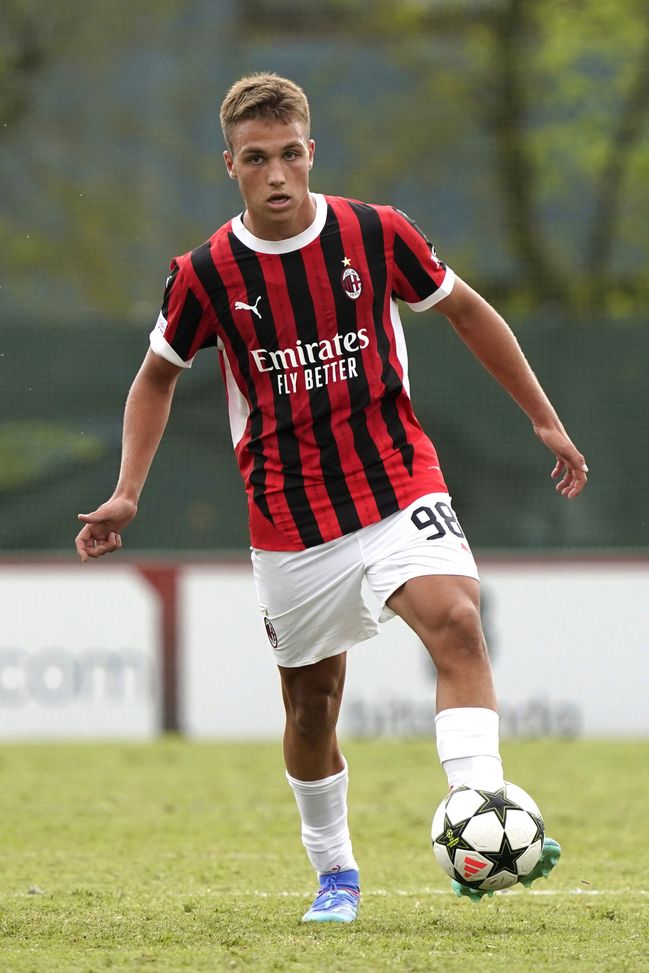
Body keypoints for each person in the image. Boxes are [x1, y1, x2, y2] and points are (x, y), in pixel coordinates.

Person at [75, 72, 588, 922]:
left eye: (287, 155)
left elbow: (465, 311)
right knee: (311, 705)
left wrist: (542, 418)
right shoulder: (205, 274)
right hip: (290, 518)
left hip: (395, 479)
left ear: (310, 152)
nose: (275, 174)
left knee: (457, 620)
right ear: (229, 166)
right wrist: (128, 491)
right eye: (254, 159)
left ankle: (480, 808)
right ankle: (336, 874)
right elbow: (155, 377)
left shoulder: (374, 233)